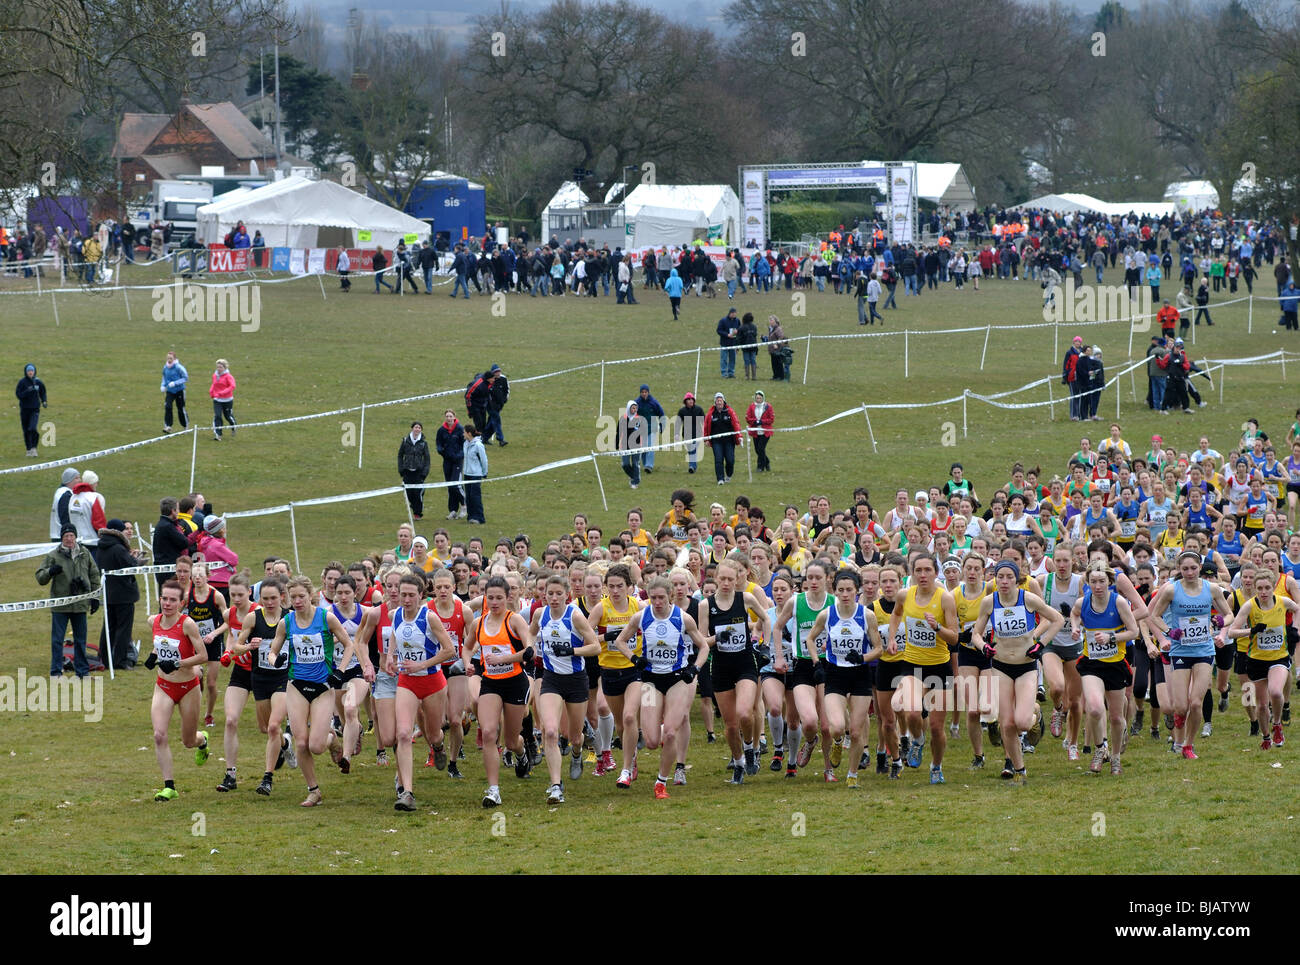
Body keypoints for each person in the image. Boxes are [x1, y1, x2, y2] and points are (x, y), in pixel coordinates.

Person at [972, 560, 1064, 783]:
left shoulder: (1028, 599)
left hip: (1026, 666)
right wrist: (984, 646)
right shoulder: (989, 602)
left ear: (1017, 579)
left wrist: (1040, 645)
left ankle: (1036, 713)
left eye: (1009, 577)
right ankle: (1020, 770)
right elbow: (975, 633)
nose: (1004, 581)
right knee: (1007, 724)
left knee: (1022, 722)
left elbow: (1057, 619)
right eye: (999, 577)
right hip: (1001, 666)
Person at [267, 576, 355, 807]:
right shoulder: (286, 622)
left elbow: (348, 645)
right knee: (302, 743)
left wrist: (341, 671)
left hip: (322, 687)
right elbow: (272, 652)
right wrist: (276, 660)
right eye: (293, 597)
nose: (297, 601)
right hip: (296, 685)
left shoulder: (326, 618)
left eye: (301, 597)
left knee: (316, 746)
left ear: (310, 595)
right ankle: (313, 790)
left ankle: (331, 739)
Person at [1148, 550, 1233, 759]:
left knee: (1196, 703)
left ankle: (1188, 744)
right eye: (1185, 568)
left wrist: (1221, 622)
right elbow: (1154, 615)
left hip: (1204, 650)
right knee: (1180, 706)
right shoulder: (1171, 590)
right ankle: (1178, 726)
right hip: (1180, 650)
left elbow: (1229, 614)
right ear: (1179, 569)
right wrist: (1169, 632)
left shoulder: (1212, 589)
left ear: (1200, 568)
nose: (1189, 572)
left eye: (1193, 568)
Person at [387, 572, 457, 811]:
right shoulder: (394, 614)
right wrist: (390, 656)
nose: (406, 599)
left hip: (432, 682)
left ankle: (437, 747)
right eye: (402, 594)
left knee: (433, 733)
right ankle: (407, 791)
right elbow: (396, 637)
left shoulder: (430, 618)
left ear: (420, 596)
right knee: (403, 734)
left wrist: (422, 664)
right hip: (406, 681)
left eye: (410, 595)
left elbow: (449, 651)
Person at [529, 573, 602, 803]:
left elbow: (596, 647)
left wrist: (572, 651)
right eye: (549, 593)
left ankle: (578, 753)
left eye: (558, 593)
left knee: (575, 736)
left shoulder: (575, 616)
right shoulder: (540, 614)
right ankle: (555, 786)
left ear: (567, 595)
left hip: (576, 679)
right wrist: (531, 648)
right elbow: (531, 632)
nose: (553, 598)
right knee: (550, 731)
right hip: (551, 679)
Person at [467, 575, 535, 807]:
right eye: (490, 598)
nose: (494, 602)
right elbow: (467, 648)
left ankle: (521, 752)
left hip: (516, 682)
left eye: (499, 598)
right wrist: (467, 662)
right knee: (488, 733)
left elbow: (529, 651)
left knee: (511, 740)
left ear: (508, 597)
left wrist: (504, 658)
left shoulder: (514, 620)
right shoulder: (479, 624)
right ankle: (493, 790)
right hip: (491, 682)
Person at [1069, 563, 1142, 774]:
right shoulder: (1083, 602)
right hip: (1091, 663)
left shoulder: (1118, 602)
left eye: (1102, 581)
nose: (1098, 586)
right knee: (1093, 708)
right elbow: (1074, 614)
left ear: (1110, 582)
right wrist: (1075, 627)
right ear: (1088, 583)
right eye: (1094, 581)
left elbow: (1134, 631)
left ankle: (1116, 756)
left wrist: (1111, 637)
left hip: (1115, 664)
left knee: (1116, 717)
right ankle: (1101, 748)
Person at [1219, 569, 1300, 749]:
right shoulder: (1250, 606)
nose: (1263, 592)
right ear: (1255, 589)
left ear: (1273, 588)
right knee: (1262, 705)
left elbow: (1297, 608)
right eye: (1260, 588)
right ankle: (1265, 737)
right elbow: (1232, 631)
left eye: (1267, 588)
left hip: (1279, 657)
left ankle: (1277, 724)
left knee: (1276, 692)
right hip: (1256, 659)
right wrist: (1252, 631)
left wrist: (1295, 629)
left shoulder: (1282, 601)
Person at [145, 579, 210, 800]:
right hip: (163, 686)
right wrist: (153, 656)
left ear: (181, 603)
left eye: (173, 600)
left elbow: (203, 656)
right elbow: (161, 642)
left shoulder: (187, 624)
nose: (167, 603)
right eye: (164, 598)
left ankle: (203, 741)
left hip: (187, 687)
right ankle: (169, 786)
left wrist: (177, 663)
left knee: (188, 741)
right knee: (159, 735)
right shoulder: (153, 621)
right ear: (160, 599)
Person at [36, 525, 101, 678]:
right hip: (60, 606)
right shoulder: (53, 555)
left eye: (72, 536)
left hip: (80, 604)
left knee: (80, 640)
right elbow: (40, 577)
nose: (69, 539)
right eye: (66, 536)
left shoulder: (85, 553)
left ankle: (82, 672)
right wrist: (50, 571)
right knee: (57, 640)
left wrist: (95, 597)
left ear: (76, 537)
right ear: (62, 538)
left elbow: (94, 575)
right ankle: (56, 671)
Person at [97, 519, 143, 669]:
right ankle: (120, 660)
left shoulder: (102, 546)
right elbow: (130, 566)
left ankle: (104, 657)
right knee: (124, 629)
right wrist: (135, 558)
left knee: (108, 628)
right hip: (124, 594)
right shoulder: (118, 548)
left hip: (110, 593)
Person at [703, 392, 743, 485]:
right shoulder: (711, 414)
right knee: (718, 459)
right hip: (716, 441)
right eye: (717, 401)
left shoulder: (730, 412)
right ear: (715, 402)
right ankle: (720, 479)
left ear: (723, 401)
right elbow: (706, 426)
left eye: (720, 401)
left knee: (730, 460)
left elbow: (736, 424)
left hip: (729, 441)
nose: (719, 403)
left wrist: (739, 436)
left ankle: (728, 475)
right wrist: (706, 439)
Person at [435, 409, 466, 519]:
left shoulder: (460, 429)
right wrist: (441, 451)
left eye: (450, 416)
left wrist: (459, 455)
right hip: (447, 460)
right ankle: (452, 510)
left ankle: (463, 505)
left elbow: (464, 445)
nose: (448, 418)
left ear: (454, 417)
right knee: (449, 485)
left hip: (457, 461)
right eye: (447, 416)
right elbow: (438, 443)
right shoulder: (441, 430)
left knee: (456, 484)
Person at [398, 421, 431, 520]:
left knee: (417, 493)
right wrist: (401, 469)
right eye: (416, 427)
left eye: (419, 428)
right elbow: (400, 455)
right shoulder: (405, 441)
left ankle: (418, 513)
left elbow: (427, 458)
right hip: (407, 471)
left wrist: (424, 472)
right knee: (408, 493)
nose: (417, 429)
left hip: (418, 472)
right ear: (412, 428)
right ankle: (414, 506)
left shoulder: (424, 443)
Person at [15, 362, 47, 457]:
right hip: (24, 409)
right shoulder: (22, 382)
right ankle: (28, 449)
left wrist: (44, 401)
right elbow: (18, 395)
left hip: (35, 409)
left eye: (32, 370)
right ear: (26, 372)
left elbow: (43, 392)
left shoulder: (38, 382)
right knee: (26, 430)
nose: (30, 372)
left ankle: (34, 448)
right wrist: (27, 391)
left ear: (34, 371)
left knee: (32, 428)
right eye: (29, 371)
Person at [617, 399, 647, 490]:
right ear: (628, 408)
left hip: (636, 445)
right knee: (625, 464)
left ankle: (635, 482)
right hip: (625, 445)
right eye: (632, 408)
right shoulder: (623, 419)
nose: (634, 410)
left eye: (635, 408)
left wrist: (642, 444)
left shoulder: (639, 419)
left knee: (635, 463)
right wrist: (617, 444)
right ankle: (633, 476)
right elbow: (618, 432)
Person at [636, 383, 664, 472]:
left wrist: (662, 425)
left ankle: (649, 465)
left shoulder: (654, 402)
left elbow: (661, 413)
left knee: (650, 447)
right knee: (643, 448)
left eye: (646, 392)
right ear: (640, 393)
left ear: (648, 392)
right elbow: (631, 415)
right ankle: (645, 464)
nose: (644, 394)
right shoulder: (637, 403)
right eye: (642, 392)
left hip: (652, 427)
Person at [462, 424, 488, 524]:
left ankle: (479, 517)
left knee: (475, 496)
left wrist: (484, 472)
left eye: (464, 432)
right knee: (468, 496)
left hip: (476, 474)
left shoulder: (478, 445)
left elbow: (484, 460)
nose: (463, 434)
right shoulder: (465, 443)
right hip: (467, 473)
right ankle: (471, 516)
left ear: (468, 433)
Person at [677, 392, 706, 474]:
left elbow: (705, 421)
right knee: (691, 450)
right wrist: (677, 434)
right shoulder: (682, 411)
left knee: (693, 449)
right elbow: (678, 423)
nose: (690, 401)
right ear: (685, 401)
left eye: (691, 399)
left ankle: (692, 466)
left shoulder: (699, 410)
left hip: (697, 434)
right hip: (687, 435)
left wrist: (706, 432)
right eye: (688, 399)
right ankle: (693, 466)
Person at [746, 390, 774, 472]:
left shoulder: (768, 407)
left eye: (760, 398)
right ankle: (767, 462)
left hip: (765, 431)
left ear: (763, 398)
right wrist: (754, 421)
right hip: (755, 431)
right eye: (757, 398)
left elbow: (771, 419)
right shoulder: (751, 406)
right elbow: (748, 417)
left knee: (761, 448)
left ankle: (760, 466)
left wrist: (762, 422)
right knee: (757, 450)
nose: (758, 400)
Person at [160, 350, 189, 433]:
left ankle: (185, 425)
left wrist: (175, 383)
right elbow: (164, 378)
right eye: (168, 358)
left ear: (174, 358)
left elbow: (185, 378)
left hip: (179, 390)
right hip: (170, 391)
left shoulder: (179, 367)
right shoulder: (165, 367)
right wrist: (163, 385)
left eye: (171, 358)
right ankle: (168, 426)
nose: (169, 360)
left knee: (180, 408)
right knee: (168, 406)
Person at [49, 467, 79, 542]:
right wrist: (69, 533)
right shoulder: (66, 495)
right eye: (76, 478)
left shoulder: (59, 492)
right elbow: (65, 516)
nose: (79, 480)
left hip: (58, 533)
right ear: (69, 480)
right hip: (63, 536)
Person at [209, 359, 236, 440]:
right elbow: (214, 384)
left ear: (225, 368)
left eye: (220, 367)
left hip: (227, 400)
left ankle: (234, 427)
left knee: (228, 416)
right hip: (217, 400)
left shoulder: (228, 376)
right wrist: (211, 391)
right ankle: (218, 434)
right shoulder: (215, 375)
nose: (219, 369)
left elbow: (232, 386)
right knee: (217, 416)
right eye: (217, 367)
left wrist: (221, 393)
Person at [485, 363, 509, 447]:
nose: (498, 373)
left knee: (492, 423)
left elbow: (507, 390)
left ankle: (483, 438)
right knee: (497, 421)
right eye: (496, 372)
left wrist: (504, 400)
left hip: (499, 405)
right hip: (490, 406)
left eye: (499, 371)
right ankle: (501, 439)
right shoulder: (489, 381)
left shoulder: (503, 379)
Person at [1063, 335, 1084, 421]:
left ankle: (1079, 414)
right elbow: (1066, 365)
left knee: (1080, 396)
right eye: (1076, 341)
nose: (1077, 343)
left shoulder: (1083, 352)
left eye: (1079, 342)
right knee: (1073, 396)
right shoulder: (1069, 353)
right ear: (1073, 342)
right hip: (1072, 377)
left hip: (1081, 377)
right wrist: (1065, 375)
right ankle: (1073, 415)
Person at [717, 307, 740, 379]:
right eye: (733, 313)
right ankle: (724, 373)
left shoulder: (737, 321)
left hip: (733, 343)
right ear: (730, 313)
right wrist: (727, 335)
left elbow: (740, 328)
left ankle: (731, 372)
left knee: (733, 359)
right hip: (724, 343)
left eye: (735, 313)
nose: (734, 315)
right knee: (724, 359)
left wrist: (738, 331)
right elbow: (719, 330)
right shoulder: (723, 321)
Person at [765, 315, 789, 381]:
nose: (770, 321)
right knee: (773, 364)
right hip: (772, 349)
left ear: (775, 321)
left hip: (777, 349)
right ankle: (775, 376)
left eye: (771, 320)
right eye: (769, 320)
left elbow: (781, 337)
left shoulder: (778, 329)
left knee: (778, 363)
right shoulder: (770, 329)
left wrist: (777, 344)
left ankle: (780, 376)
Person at [738, 312, 759, 381]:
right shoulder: (754, 326)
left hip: (745, 348)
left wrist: (738, 346)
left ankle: (747, 376)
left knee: (746, 361)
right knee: (753, 360)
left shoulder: (741, 327)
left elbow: (739, 338)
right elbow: (755, 336)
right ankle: (754, 376)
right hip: (753, 347)